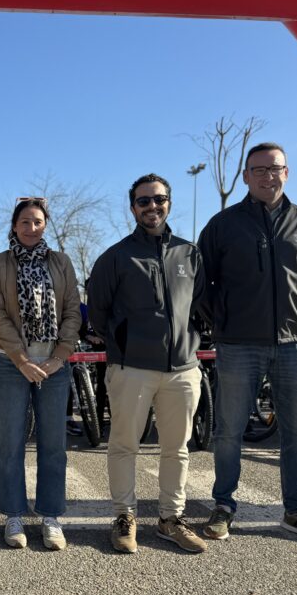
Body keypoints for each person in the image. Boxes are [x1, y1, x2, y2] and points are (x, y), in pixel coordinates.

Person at [198, 142, 297, 547]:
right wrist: (222, 321)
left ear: (287, 172)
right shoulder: (222, 225)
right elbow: (203, 283)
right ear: (245, 176)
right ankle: (223, 506)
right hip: (239, 343)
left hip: (295, 343)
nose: (267, 176)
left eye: (275, 168)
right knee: (228, 430)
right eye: (258, 169)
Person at [88, 173, 207, 554]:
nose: (151, 207)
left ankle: (171, 519)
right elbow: (99, 313)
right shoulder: (116, 257)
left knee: (178, 448)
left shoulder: (190, 254)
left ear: (169, 202)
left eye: (158, 200)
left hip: (184, 369)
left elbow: (201, 304)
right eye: (143, 201)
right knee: (124, 445)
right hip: (132, 368)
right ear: (132, 207)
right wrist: (124, 344)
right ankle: (125, 516)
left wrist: (190, 341)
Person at [0, 198, 81, 550]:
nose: (32, 227)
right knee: (10, 442)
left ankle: (51, 517)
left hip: (54, 364)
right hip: (12, 364)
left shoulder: (61, 263)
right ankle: (13, 515)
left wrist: (59, 356)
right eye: (25, 222)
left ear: (45, 225)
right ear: (14, 226)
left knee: (54, 444)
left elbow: (72, 310)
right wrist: (22, 359)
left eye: (38, 221)